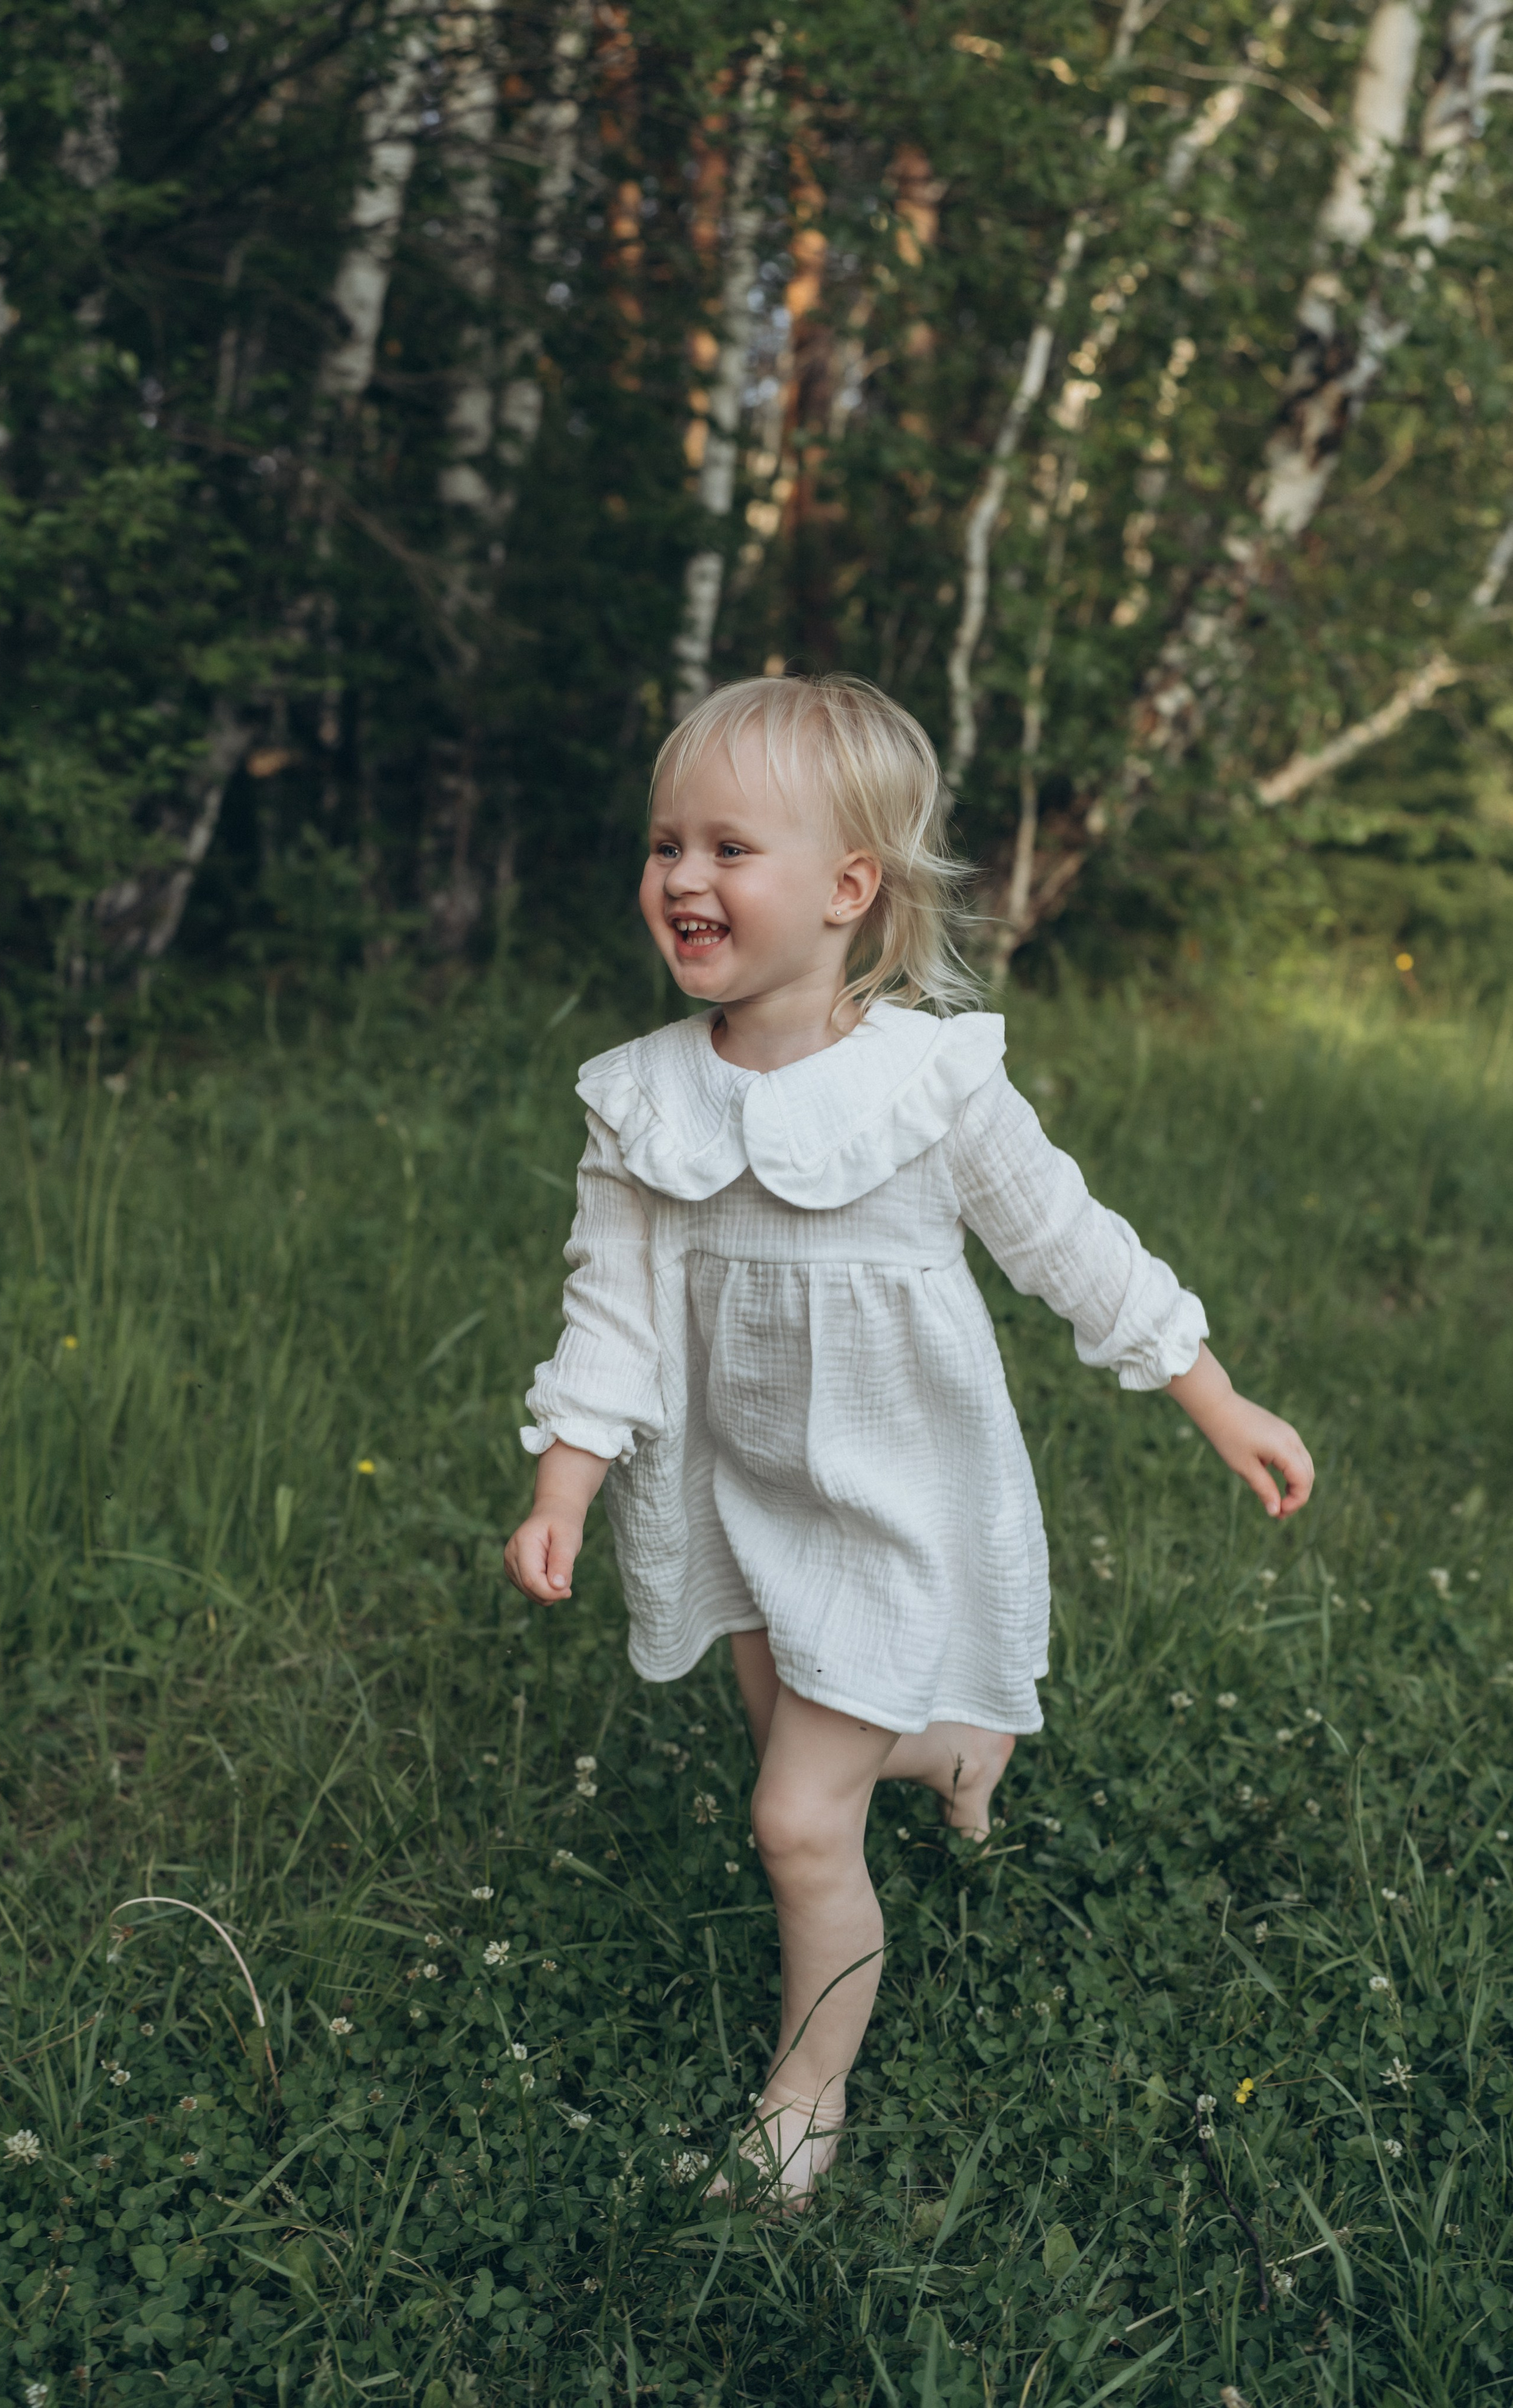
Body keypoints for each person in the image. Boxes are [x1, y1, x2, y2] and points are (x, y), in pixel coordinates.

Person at [503, 673, 1313, 2209]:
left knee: (793, 1820)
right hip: (740, 1500)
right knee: (800, 1748)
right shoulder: (642, 1101)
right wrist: (566, 1478)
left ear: (845, 888)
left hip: (891, 1505)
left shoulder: (929, 1085)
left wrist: (1215, 1397)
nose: (682, 876)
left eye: (729, 847)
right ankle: (957, 1748)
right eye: (666, 843)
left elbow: (1070, 1247)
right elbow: (607, 1306)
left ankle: (801, 2111)